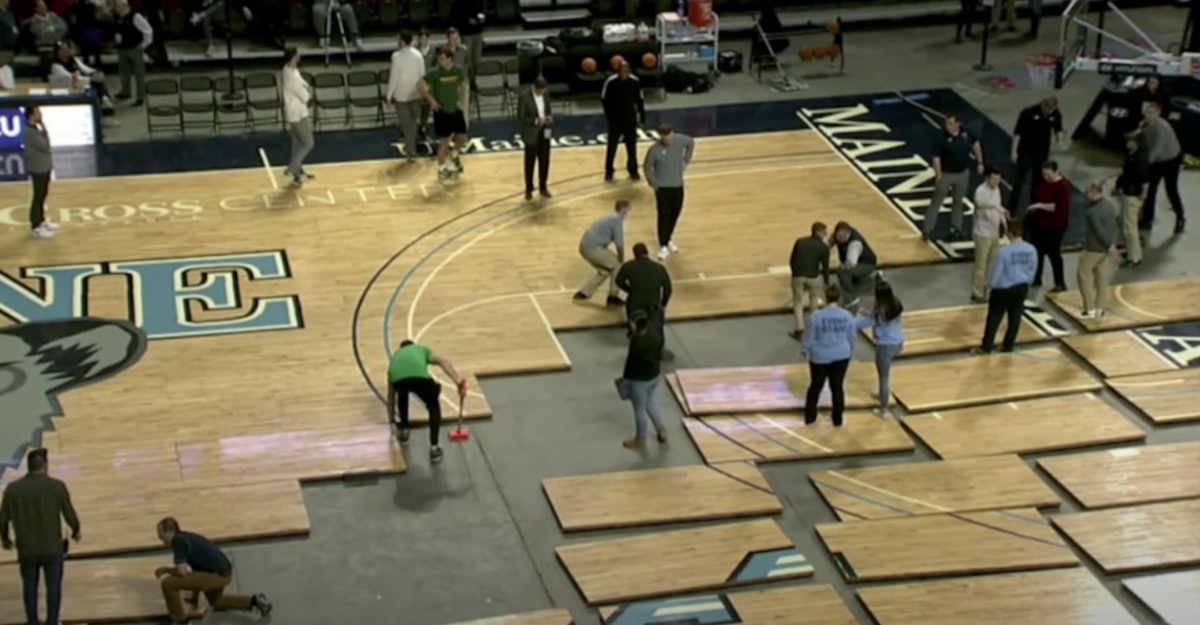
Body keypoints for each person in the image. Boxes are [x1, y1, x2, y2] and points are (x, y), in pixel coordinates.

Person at [0, 448, 81, 625]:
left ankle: (32, 622)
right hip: (52, 548)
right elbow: (69, 514)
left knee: (29, 586)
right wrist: (76, 530)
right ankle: (52, 621)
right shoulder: (56, 487)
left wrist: (5, 539)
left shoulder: (13, 490)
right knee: (53, 587)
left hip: (26, 549)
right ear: (45, 465)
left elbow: (3, 519)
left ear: (28, 466)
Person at [154, 517, 272, 625]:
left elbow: (182, 573)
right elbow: (196, 572)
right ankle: (255, 601)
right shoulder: (186, 537)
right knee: (217, 601)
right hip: (223, 573)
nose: (160, 538)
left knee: (168, 583)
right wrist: (194, 598)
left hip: (216, 576)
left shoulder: (178, 542)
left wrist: (166, 570)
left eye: (161, 535)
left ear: (169, 532)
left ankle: (179, 621)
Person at [386, 339, 467, 465]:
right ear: (413, 345)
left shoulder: (395, 358)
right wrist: (458, 382)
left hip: (398, 381)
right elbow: (443, 361)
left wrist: (391, 421)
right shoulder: (421, 349)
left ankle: (404, 430)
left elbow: (391, 397)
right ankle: (434, 448)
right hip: (421, 380)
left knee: (402, 391)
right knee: (433, 405)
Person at [976, 220, 1037, 354]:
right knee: (1015, 317)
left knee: (994, 318)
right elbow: (1032, 269)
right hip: (1022, 287)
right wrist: (1027, 282)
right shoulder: (1031, 249)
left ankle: (986, 347)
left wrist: (990, 286)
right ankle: (1008, 345)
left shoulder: (1004, 251)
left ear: (1009, 233)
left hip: (1003, 289)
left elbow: (997, 272)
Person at [802, 284, 857, 428]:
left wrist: (804, 349)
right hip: (842, 355)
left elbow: (810, 336)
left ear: (825, 298)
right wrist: (850, 351)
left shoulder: (816, 316)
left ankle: (810, 417)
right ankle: (837, 419)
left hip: (820, 356)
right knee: (837, 386)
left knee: (816, 386)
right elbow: (852, 337)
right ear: (839, 298)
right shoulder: (847, 316)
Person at [924, 113, 984, 242]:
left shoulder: (967, 133)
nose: (948, 126)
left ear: (958, 123)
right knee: (936, 202)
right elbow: (936, 157)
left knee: (958, 201)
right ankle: (927, 230)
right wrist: (938, 174)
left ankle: (957, 227)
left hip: (962, 173)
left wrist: (980, 162)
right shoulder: (941, 137)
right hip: (946, 174)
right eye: (946, 123)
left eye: (951, 123)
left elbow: (976, 145)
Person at [643, 125, 695, 260]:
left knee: (675, 213)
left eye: (670, 137)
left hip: (678, 185)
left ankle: (668, 238)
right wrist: (653, 184)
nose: (668, 140)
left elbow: (691, 143)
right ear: (661, 136)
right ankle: (663, 245)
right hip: (663, 189)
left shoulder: (681, 140)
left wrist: (686, 161)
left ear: (673, 133)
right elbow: (647, 167)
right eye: (665, 138)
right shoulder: (654, 150)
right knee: (663, 216)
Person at [619, 310, 667, 450]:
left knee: (639, 409)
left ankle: (640, 439)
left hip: (640, 381)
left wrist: (625, 379)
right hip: (654, 375)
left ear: (634, 323)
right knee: (650, 402)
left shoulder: (638, 343)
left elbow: (631, 363)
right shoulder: (654, 334)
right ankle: (661, 429)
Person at [856, 281, 904, 417]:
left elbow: (861, 324)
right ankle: (881, 394)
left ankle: (884, 410)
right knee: (885, 374)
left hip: (885, 347)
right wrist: (868, 313)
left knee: (884, 377)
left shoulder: (881, 313)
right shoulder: (895, 303)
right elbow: (877, 314)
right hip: (898, 342)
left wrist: (854, 319)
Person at [421, 47, 469, 181]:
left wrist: (461, 101)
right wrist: (432, 101)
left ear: (450, 59)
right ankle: (441, 168)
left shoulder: (458, 71)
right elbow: (419, 85)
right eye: (439, 58)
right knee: (444, 141)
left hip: (455, 109)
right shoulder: (434, 72)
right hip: (442, 111)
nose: (440, 61)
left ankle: (454, 153)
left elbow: (463, 85)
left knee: (463, 137)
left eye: (442, 58)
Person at [1009, 97, 1063, 211]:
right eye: (1047, 109)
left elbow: (1058, 128)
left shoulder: (1056, 114)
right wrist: (1014, 151)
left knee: (1038, 182)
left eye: (1052, 110)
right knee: (1020, 181)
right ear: (1043, 105)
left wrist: (1060, 140)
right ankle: (1011, 210)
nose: (1049, 112)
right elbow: (1018, 133)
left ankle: (1034, 209)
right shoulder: (1028, 113)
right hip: (1026, 151)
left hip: (1042, 153)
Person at [1025, 160, 1072, 292]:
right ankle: (1037, 278)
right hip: (1040, 223)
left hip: (1056, 225)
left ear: (1056, 172)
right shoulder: (1044, 183)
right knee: (1038, 252)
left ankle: (1060, 283)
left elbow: (1058, 207)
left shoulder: (1063, 187)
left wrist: (1039, 205)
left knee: (1053, 253)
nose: (1046, 177)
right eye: (1044, 174)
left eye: (1048, 174)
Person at [1139, 102, 1185, 235]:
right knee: (1151, 189)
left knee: (1171, 189)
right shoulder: (1143, 125)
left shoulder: (1162, 128)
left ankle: (1180, 217)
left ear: (1158, 114)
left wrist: (1144, 163)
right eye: (1147, 112)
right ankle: (1147, 219)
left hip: (1171, 159)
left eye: (1152, 113)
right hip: (1157, 162)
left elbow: (1156, 149)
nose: (1148, 115)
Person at [573, 200, 630, 306]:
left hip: (585, 247)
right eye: (628, 209)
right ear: (623, 209)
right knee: (618, 266)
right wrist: (621, 258)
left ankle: (584, 293)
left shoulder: (610, 217)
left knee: (604, 271)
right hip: (593, 248)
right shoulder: (617, 219)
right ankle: (613, 296)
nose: (629, 211)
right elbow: (619, 242)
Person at [1077, 183, 1121, 320]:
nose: (1086, 195)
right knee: (1101, 279)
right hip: (1104, 251)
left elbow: (1099, 231)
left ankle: (1089, 309)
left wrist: (1110, 247)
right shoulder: (1109, 205)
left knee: (1084, 276)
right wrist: (1111, 244)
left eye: (1087, 193)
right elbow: (1114, 226)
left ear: (1093, 193)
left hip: (1093, 249)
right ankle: (1100, 308)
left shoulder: (1092, 212)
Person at [384, 31, 426, 163]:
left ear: (402, 41)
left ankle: (411, 152)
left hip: (402, 96)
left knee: (407, 125)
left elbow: (394, 77)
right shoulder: (418, 55)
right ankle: (412, 150)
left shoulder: (396, 56)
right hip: (415, 94)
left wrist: (389, 96)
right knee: (412, 124)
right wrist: (424, 93)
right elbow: (422, 75)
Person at [601, 61, 646, 182]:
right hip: (615, 120)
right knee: (612, 146)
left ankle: (633, 170)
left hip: (629, 119)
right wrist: (609, 117)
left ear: (629, 71)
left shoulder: (635, 82)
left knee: (631, 146)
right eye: (622, 71)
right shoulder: (611, 82)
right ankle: (609, 171)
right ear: (618, 71)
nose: (624, 73)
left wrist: (642, 119)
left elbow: (640, 101)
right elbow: (604, 100)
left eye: (626, 71)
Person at [616, 242, 672, 335]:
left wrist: (630, 290)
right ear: (647, 252)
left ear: (634, 254)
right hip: (653, 306)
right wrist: (663, 304)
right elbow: (668, 289)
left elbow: (618, 281)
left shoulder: (628, 266)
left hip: (635, 306)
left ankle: (632, 333)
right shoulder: (659, 268)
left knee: (635, 328)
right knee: (656, 328)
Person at [1112, 132, 1149, 267]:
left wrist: (1143, 193)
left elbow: (1144, 178)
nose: (1127, 143)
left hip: (1133, 195)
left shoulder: (1140, 159)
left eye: (1130, 140)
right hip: (1127, 192)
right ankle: (1131, 251)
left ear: (1137, 142)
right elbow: (1125, 173)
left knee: (1130, 227)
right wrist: (1117, 186)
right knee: (1127, 225)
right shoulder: (1131, 155)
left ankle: (1135, 257)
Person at [971, 166, 1008, 303]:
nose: (996, 182)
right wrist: (995, 206)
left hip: (994, 232)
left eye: (998, 179)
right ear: (987, 178)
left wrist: (1004, 223)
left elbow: (998, 208)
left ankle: (988, 289)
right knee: (980, 265)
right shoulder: (980, 191)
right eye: (993, 179)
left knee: (992, 264)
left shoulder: (997, 189)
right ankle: (977, 292)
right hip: (982, 233)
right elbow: (980, 204)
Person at [788, 221, 831, 340]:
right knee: (814, 299)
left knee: (798, 301)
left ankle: (800, 329)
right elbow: (825, 267)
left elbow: (792, 259)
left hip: (798, 275)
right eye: (824, 232)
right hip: (813, 277)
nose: (826, 234)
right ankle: (812, 327)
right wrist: (826, 282)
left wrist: (795, 273)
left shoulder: (800, 242)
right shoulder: (823, 247)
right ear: (819, 232)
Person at [23, 105, 60, 240]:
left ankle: (42, 221)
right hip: (38, 169)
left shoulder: (35, 129)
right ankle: (35, 227)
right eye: (38, 112)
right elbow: (45, 145)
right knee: (38, 197)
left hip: (44, 167)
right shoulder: (30, 132)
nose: (40, 114)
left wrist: (42, 127)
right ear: (32, 115)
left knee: (43, 196)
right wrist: (44, 128)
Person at [49, 40, 115, 113]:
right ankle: (103, 99)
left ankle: (104, 99)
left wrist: (96, 72)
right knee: (94, 82)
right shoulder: (56, 65)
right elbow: (69, 77)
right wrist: (90, 79)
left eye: (68, 49)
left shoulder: (73, 60)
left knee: (98, 81)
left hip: (78, 83)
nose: (67, 51)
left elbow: (85, 69)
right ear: (58, 52)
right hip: (68, 86)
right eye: (64, 49)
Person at [281, 47, 315, 187]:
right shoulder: (292, 77)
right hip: (298, 114)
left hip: (293, 113)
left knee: (297, 144)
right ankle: (292, 168)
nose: (299, 57)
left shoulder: (288, 69)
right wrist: (307, 91)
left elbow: (303, 84)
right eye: (297, 55)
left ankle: (297, 173)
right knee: (308, 143)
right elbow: (305, 97)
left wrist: (305, 87)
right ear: (294, 57)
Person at [517, 76, 553, 200]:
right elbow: (521, 117)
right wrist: (536, 121)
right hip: (531, 133)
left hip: (545, 131)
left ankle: (543, 187)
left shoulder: (546, 94)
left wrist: (549, 118)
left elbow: (548, 111)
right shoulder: (524, 97)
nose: (542, 92)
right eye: (540, 90)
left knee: (545, 161)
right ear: (535, 88)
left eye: (543, 90)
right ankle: (529, 189)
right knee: (530, 162)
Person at [113, 0, 152, 105]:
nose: (115, 8)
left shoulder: (135, 16)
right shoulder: (119, 17)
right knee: (124, 72)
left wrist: (144, 45)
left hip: (134, 48)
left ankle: (140, 96)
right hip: (122, 49)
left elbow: (148, 30)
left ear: (124, 5)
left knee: (139, 73)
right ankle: (125, 91)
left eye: (117, 5)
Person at [831, 221, 878, 308]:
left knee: (842, 272)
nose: (838, 239)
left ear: (847, 234)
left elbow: (851, 263)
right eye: (837, 236)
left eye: (840, 237)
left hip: (866, 264)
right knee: (846, 272)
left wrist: (842, 266)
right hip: (857, 262)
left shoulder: (855, 243)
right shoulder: (838, 235)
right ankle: (869, 280)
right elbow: (828, 243)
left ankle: (851, 298)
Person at [449, 0, 484, 80]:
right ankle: (465, 80)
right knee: (467, 59)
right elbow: (454, 16)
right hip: (466, 34)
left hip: (478, 32)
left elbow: (481, 12)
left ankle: (473, 78)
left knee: (476, 58)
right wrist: (466, 21)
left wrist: (481, 18)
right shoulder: (458, 2)